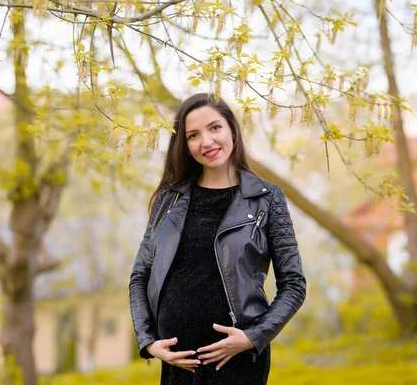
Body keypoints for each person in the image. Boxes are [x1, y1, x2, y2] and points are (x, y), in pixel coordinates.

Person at [129, 93, 307, 385]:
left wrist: (253, 337)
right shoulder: (168, 200)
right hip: (178, 365)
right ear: (185, 146)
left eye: (215, 128)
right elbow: (140, 276)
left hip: (237, 364)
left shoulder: (267, 198)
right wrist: (148, 341)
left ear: (232, 130)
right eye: (193, 135)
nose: (207, 142)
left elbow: (294, 285)